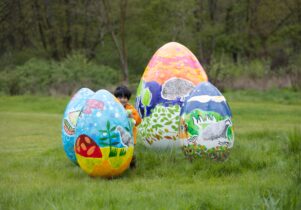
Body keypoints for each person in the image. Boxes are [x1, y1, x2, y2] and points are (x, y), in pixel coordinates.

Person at [114, 85, 142, 168]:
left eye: (125, 97)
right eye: (120, 97)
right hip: (118, 135)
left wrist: (132, 118)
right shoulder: (114, 109)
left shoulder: (130, 109)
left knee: (130, 152)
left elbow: (138, 120)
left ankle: (132, 165)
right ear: (116, 98)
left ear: (128, 99)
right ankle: (119, 166)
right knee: (119, 151)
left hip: (130, 136)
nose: (123, 99)